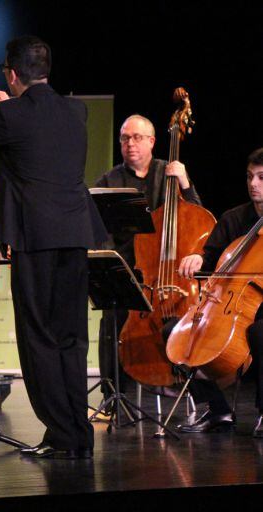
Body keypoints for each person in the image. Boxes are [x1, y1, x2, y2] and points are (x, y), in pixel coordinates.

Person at [0, 35, 107, 459]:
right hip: (75, 236)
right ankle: (75, 434)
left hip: (36, 240)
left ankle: (63, 432)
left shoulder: (10, 115)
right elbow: (36, 126)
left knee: (39, 339)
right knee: (71, 339)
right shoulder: (77, 109)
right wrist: (7, 109)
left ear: (12, 74)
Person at [95, 115, 202, 399]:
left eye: (137, 137)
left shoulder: (168, 173)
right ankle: (111, 394)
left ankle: (182, 380)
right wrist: (110, 260)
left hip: (165, 273)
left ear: (153, 141)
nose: (130, 143)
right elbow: (97, 226)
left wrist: (185, 182)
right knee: (111, 321)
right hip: (127, 268)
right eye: (125, 138)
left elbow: (197, 217)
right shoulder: (110, 180)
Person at [173, 148, 263, 435]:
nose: (253, 184)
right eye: (250, 177)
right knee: (175, 336)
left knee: (261, 333)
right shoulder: (233, 218)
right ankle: (217, 409)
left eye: (262, 178)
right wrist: (198, 258)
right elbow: (209, 257)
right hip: (230, 302)